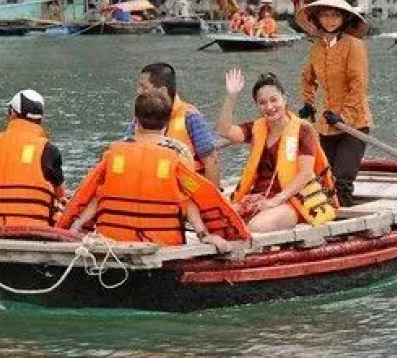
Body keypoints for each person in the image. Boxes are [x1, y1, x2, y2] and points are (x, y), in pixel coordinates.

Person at [61, 91, 230, 249]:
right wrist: (204, 234)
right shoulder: (177, 157)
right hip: (163, 242)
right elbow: (190, 198)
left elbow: (95, 195)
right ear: (166, 122)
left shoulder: (112, 154)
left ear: (136, 120)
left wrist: (74, 227)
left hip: (112, 238)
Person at [215, 68, 338, 232]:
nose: (269, 107)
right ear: (257, 105)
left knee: (256, 226)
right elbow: (225, 130)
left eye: (274, 100)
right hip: (260, 197)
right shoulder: (257, 128)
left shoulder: (303, 131)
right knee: (219, 224)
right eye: (262, 103)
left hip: (292, 201)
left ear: (284, 99)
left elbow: (306, 174)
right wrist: (231, 96)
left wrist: (276, 200)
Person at [294, 0, 371, 207]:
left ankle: (343, 225)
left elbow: (358, 85)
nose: (330, 20)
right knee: (322, 177)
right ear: (318, 19)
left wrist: (343, 117)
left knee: (342, 179)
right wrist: (308, 103)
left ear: (344, 18)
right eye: (325, 15)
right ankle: (325, 219)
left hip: (354, 124)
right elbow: (308, 78)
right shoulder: (317, 47)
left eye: (335, 15)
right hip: (326, 125)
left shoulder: (354, 46)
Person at [0, 90, 66, 232]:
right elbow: (60, 194)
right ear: (40, 118)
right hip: (32, 229)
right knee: (58, 204)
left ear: (12, 113)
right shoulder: (47, 149)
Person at [133, 62, 220, 183]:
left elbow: (211, 159)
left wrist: (213, 199)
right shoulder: (140, 116)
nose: (139, 91)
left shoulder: (190, 116)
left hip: (185, 187)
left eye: (144, 87)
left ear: (163, 91)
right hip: (150, 185)